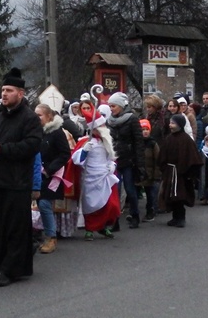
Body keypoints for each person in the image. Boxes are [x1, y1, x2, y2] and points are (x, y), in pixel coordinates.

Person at [0, 68, 43, 287]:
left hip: (18, 182)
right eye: (2, 90)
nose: (4, 94)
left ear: (20, 93)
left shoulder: (30, 118)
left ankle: (12, 269)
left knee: (15, 227)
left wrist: (3, 149)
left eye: (8, 90)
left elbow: (32, 145)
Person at [67, 103, 120, 240]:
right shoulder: (86, 141)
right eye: (99, 127)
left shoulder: (106, 141)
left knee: (110, 204)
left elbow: (111, 157)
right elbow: (76, 160)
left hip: (104, 175)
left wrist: (112, 166)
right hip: (90, 177)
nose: (103, 129)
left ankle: (104, 226)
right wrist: (84, 150)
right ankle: (90, 229)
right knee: (91, 205)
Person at [34, 103, 71, 254]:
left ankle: (51, 237)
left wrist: (49, 170)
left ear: (49, 116)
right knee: (38, 203)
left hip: (52, 175)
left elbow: (64, 154)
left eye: (39, 115)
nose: (36, 118)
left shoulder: (56, 132)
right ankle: (37, 233)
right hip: (37, 173)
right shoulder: (35, 132)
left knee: (44, 204)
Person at [106, 92, 145, 229]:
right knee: (114, 191)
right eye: (110, 106)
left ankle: (135, 216)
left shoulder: (132, 119)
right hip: (114, 160)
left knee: (130, 190)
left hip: (128, 160)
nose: (111, 109)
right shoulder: (109, 120)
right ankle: (114, 220)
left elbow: (139, 142)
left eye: (114, 106)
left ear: (121, 106)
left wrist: (139, 163)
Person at [157, 114, 203, 227]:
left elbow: (193, 158)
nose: (170, 125)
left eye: (173, 123)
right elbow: (162, 155)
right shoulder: (168, 139)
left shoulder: (186, 140)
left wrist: (189, 173)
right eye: (170, 123)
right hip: (170, 171)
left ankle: (181, 217)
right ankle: (175, 217)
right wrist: (164, 168)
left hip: (181, 173)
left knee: (179, 196)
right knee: (170, 196)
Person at [139, 119, 160, 221]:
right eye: (143, 129)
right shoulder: (137, 143)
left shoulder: (153, 144)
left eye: (147, 129)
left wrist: (156, 175)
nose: (145, 131)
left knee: (150, 195)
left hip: (149, 174)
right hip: (139, 173)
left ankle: (150, 212)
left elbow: (158, 160)